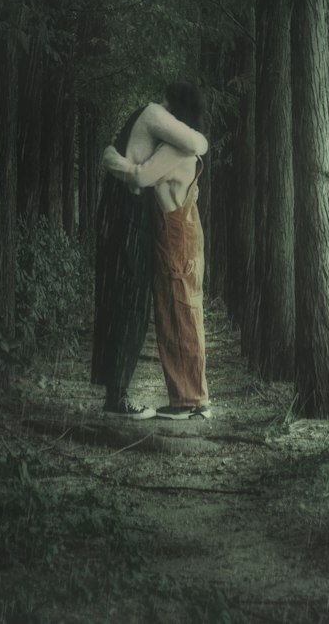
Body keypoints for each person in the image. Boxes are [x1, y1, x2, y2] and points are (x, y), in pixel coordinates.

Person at [100, 82, 211, 421]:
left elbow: (142, 177)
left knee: (178, 311)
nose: (159, 106)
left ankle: (190, 401)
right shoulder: (183, 146)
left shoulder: (176, 149)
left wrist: (110, 158)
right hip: (185, 228)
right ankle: (191, 398)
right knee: (182, 310)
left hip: (175, 230)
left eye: (167, 101)